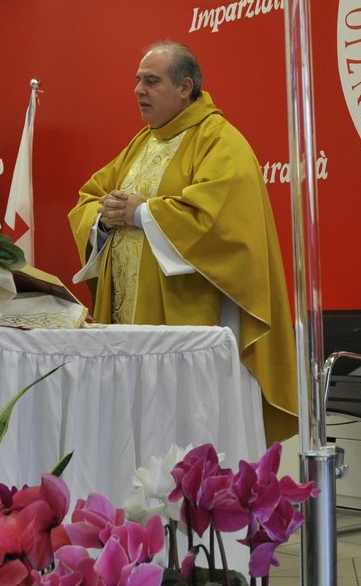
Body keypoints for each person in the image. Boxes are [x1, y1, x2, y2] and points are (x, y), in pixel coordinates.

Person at [70, 41, 297, 443]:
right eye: (138, 80)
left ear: (184, 87)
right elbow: (90, 196)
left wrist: (142, 213)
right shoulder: (143, 143)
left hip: (190, 328)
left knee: (181, 437)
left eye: (151, 81)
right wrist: (104, 219)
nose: (138, 90)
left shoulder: (220, 140)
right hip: (129, 323)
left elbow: (218, 219)